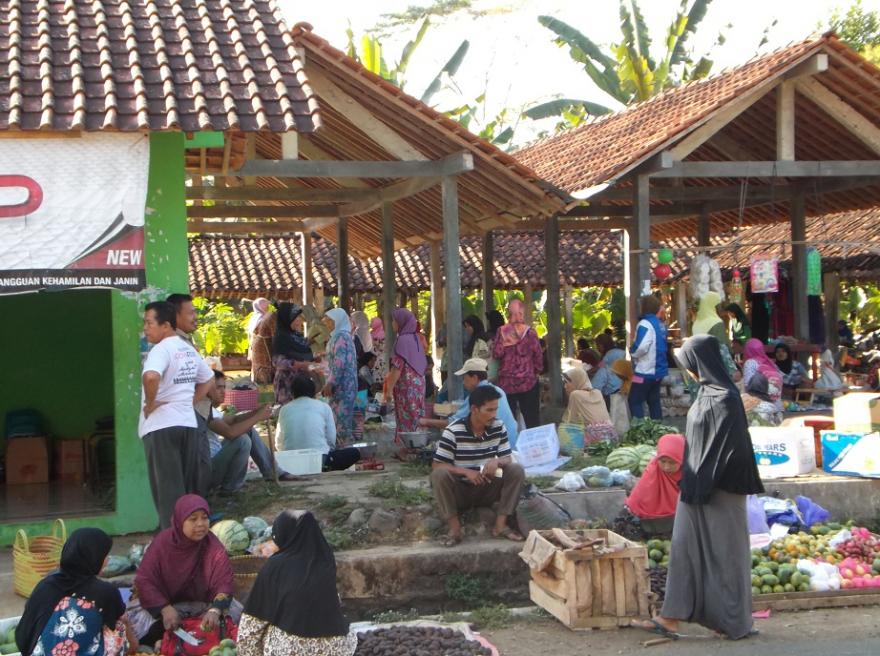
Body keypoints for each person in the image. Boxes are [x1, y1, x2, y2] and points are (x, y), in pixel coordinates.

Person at [633, 335, 763, 641]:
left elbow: (735, 452)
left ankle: (733, 622)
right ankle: (671, 617)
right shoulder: (707, 394)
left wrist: (708, 480)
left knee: (727, 555)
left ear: (701, 363)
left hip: (722, 490)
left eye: (689, 364)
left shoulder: (726, 398)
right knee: (684, 549)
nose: (689, 371)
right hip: (695, 488)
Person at [237, 511, 357, 656]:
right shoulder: (326, 560)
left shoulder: (276, 566)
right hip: (336, 649)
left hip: (291, 650)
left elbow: (253, 623)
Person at [139, 301, 214, 528]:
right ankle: (189, 540)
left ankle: (172, 542)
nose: (145, 328)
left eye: (149, 323)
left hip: (162, 426)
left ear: (165, 325)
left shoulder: (161, 350)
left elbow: (151, 377)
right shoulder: (187, 349)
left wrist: (150, 403)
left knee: (169, 495)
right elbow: (208, 379)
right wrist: (189, 402)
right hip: (186, 424)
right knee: (186, 493)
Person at [128, 495, 239, 644]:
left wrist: (215, 610)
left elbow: (225, 581)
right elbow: (145, 580)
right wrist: (165, 608)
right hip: (166, 606)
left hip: (204, 605)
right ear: (180, 521)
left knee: (235, 619)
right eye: (193, 519)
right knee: (140, 628)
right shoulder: (162, 544)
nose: (200, 524)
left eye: (205, 518)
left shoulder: (213, 546)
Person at [431, 385, 526, 547]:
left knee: (516, 470)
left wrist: (497, 462)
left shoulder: (498, 426)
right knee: (439, 475)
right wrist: (465, 472)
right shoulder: (453, 431)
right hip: (461, 491)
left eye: (495, 409)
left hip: (487, 486)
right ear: (474, 409)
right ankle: (455, 529)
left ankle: (500, 525)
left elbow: (507, 458)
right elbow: (437, 465)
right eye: (489, 410)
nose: (494, 415)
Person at [17, 528, 132, 656]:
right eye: (105, 556)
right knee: (120, 624)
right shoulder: (106, 591)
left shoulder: (45, 585)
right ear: (94, 558)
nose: (107, 560)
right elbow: (122, 621)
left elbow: (23, 633)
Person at [207, 371, 298, 487]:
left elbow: (233, 420)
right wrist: (258, 416)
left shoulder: (210, 409)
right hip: (209, 470)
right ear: (207, 389)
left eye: (224, 387)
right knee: (242, 441)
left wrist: (257, 412)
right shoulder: (203, 411)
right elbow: (230, 433)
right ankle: (231, 488)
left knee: (248, 431)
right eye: (218, 388)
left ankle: (272, 472)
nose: (223, 391)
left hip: (216, 463)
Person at [168, 292, 215, 498]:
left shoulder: (183, 341)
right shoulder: (178, 344)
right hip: (192, 414)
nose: (196, 316)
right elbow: (202, 379)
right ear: (175, 316)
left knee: (199, 466)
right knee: (198, 468)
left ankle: (197, 510)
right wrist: (191, 404)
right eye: (191, 312)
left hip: (194, 413)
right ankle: (196, 510)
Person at [420, 357, 519, 448]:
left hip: (497, 448)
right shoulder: (498, 390)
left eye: (465, 377)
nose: (463, 382)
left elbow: (453, 423)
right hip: (512, 444)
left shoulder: (477, 395)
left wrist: (426, 421)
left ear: (474, 378)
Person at [276, 376, 362, 471]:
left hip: (291, 463)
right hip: (320, 462)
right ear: (314, 393)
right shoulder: (324, 407)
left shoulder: (284, 410)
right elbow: (331, 439)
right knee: (355, 452)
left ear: (292, 393)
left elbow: (279, 443)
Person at [493, 299, 543, 428]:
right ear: (522, 313)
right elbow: (538, 357)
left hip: (507, 382)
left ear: (509, 313)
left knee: (508, 420)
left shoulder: (502, 331)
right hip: (528, 382)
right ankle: (533, 440)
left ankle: (511, 440)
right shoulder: (530, 333)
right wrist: (536, 371)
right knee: (532, 420)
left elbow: (497, 354)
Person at [385, 308, 426, 439]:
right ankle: (418, 443)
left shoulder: (402, 340)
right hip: (418, 385)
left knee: (406, 417)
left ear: (401, 322)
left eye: (394, 321)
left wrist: (389, 390)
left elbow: (397, 368)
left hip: (407, 387)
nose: (392, 323)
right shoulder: (415, 338)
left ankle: (408, 445)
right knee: (416, 416)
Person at [625, 434, 685, 521]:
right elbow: (637, 500)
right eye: (663, 461)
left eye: (672, 462)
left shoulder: (690, 474)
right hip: (653, 522)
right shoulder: (652, 471)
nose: (666, 467)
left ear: (681, 459)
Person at [629, 295, 668, 420]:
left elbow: (641, 347)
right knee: (654, 401)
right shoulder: (661, 324)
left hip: (644, 371)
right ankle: (658, 427)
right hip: (658, 371)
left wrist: (632, 351)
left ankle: (639, 428)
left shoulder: (645, 324)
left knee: (634, 401)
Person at [322, 308, 358, 441]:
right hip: (345, 384)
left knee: (340, 421)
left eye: (329, 320)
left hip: (342, 385)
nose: (325, 322)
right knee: (341, 419)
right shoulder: (341, 336)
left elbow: (339, 362)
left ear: (337, 321)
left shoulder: (340, 337)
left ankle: (343, 446)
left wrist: (330, 382)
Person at [272, 303, 314, 406]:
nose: (299, 320)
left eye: (299, 317)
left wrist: (314, 358)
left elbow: (303, 354)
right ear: (287, 319)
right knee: (290, 412)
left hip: (303, 383)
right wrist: (300, 365)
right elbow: (277, 362)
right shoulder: (281, 338)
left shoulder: (296, 336)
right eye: (296, 317)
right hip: (287, 384)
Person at [562, 367, 616, 442]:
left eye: (566, 382)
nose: (565, 386)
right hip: (610, 436)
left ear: (576, 381)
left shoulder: (575, 395)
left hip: (593, 440)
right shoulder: (597, 393)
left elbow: (569, 422)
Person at [590, 333, 627, 399]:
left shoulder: (609, 355)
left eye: (597, 346)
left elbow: (600, 366)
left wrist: (588, 372)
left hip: (614, 392)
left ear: (602, 345)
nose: (597, 348)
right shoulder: (620, 351)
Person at [250, 307, 277, 385]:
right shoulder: (272, 317)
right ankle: (265, 385)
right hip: (263, 344)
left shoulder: (269, 315)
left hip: (261, 342)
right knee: (264, 365)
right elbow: (276, 336)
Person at [369, 317, 388, 382]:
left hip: (381, 360)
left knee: (380, 378)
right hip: (375, 359)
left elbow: (380, 349)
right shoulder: (371, 334)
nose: (370, 324)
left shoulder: (383, 335)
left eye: (372, 322)